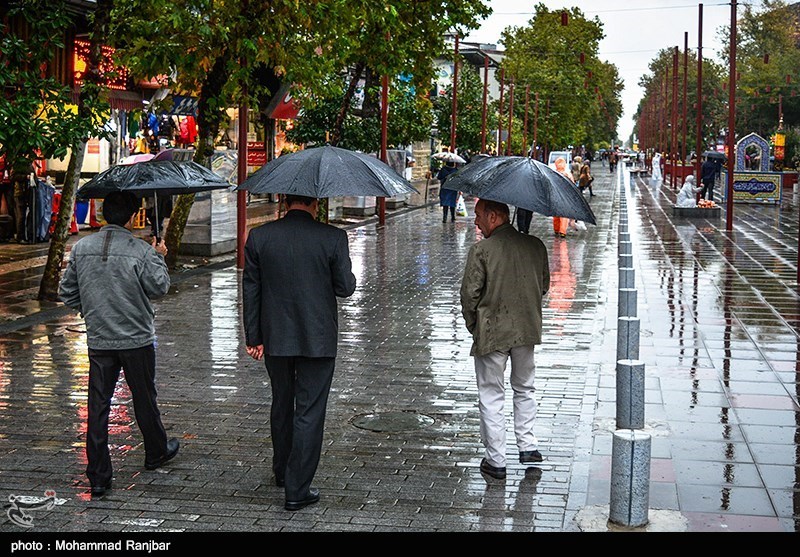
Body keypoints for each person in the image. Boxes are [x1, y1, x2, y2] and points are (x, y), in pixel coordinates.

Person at [58, 191, 179, 499]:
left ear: (103, 214)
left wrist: (91, 310)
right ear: (130, 216)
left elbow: (67, 291)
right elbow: (160, 287)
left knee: (98, 406)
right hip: (136, 338)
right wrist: (160, 257)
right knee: (144, 397)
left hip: (99, 338)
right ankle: (156, 451)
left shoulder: (81, 247)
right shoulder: (140, 250)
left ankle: (98, 476)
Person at [242, 194, 356, 511]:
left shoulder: (260, 237)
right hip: (317, 339)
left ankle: (282, 470)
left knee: (282, 401)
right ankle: (297, 487)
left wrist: (254, 336)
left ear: (283, 201)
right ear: (315, 204)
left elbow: (250, 288)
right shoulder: (332, 237)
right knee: (309, 410)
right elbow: (345, 287)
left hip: (275, 338)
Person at [460, 198, 550, 480]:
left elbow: (469, 296)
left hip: (492, 332)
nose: (476, 221)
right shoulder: (535, 246)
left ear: (494, 216)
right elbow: (544, 286)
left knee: (491, 395)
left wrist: (475, 326)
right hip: (526, 330)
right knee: (525, 387)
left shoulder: (482, 250)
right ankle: (528, 445)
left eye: (478, 216)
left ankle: (496, 460)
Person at [552, 157, 573, 238]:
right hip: (565, 196)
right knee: (564, 215)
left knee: (556, 214)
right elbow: (572, 185)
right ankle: (562, 231)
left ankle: (556, 229)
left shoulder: (553, 173)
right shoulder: (567, 174)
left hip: (555, 196)